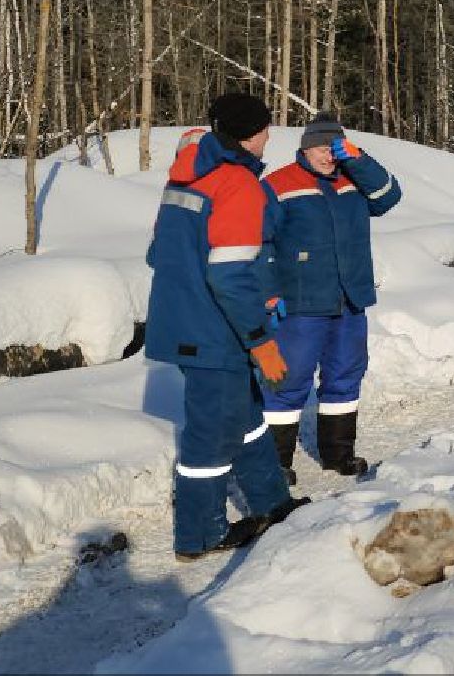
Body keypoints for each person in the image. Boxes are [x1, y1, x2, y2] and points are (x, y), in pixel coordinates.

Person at [145, 91, 307, 561]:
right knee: (211, 433)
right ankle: (200, 536)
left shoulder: (189, 177)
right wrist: (260, 341)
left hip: (185, 321)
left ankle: (272, 504)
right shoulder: (237, 184)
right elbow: (229, 275)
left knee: (247, 418)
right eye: (264, 128)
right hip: (215, 331)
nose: (269, 136)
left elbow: (159, 253)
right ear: (251, 134)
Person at [262, 113, 403, 482]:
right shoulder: (279, 184)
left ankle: (339, 454)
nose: (329, 155)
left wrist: (359, 159)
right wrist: (269, 293)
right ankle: (275, 463)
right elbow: (260, 244)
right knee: (288, 380)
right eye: (323, 148)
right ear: (305, 148)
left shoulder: (353, 178)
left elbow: (390, 197)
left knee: (345, 374)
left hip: (350, 297)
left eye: (335, 148)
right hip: (301, 302)